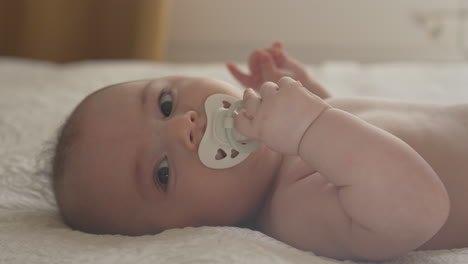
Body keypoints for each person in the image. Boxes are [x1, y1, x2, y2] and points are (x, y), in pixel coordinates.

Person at [51, 42, 468, 261]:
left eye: (165, 104)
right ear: (184, 232)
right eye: (162, 173)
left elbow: (366, 137)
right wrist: (310, 126)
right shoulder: (293, 213)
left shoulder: (287, 146)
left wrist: (317, 100)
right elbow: (420, 207)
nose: (183, 126)